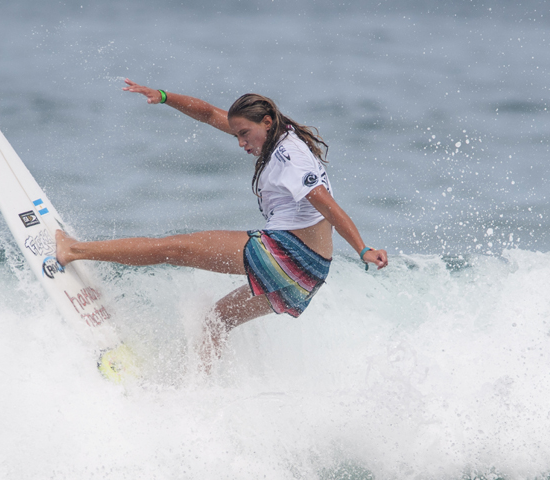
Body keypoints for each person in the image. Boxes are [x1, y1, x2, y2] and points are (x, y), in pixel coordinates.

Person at [56, 78, 388, 363]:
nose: (242, 143)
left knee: (174, 248)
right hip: (308, 275)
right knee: (216, 321)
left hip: (289, 253)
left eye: (245, 134)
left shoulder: (290, 156)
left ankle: (73, 251)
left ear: (268, 122)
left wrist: (363, 249)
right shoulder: (280, 138)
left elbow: (328, 206)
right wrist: (164, 96)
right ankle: (202, 397)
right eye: (237, 136)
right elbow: (210, 114)